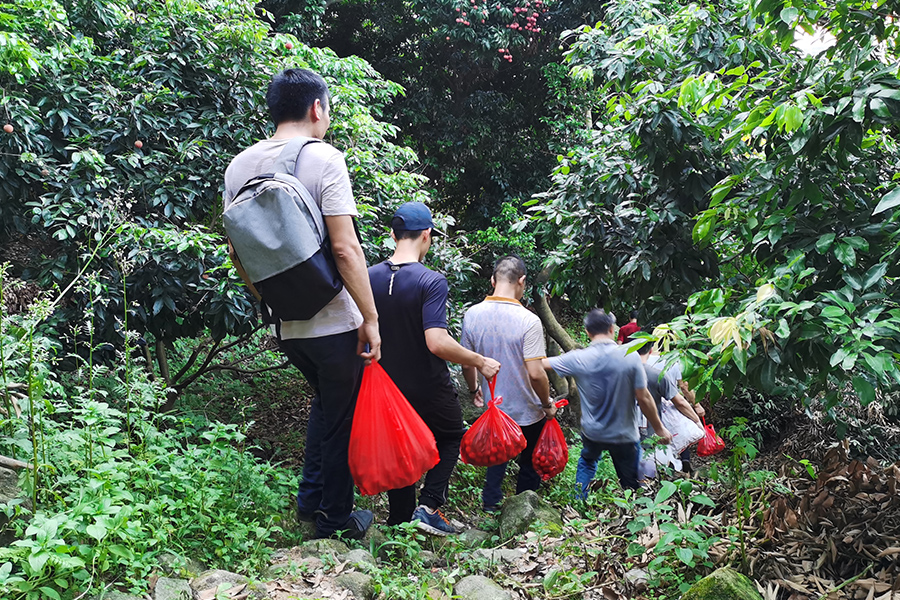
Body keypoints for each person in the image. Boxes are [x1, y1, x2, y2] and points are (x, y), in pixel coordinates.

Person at [224, 68, 380, 540]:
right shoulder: (323, 158)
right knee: (340, 421)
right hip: (335, 324)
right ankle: (335, 520)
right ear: (318, 108)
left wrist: (274, 302)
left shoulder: (238, 167)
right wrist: (370, 319)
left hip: (289, 327)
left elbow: (239, 256)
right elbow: (346, 249)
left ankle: (310, 501)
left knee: (325, 408)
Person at [368, 202, 501, 535]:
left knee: (401, 446)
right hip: (428, 383)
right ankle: (427, 507)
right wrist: (479, 361)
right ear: (427, 235)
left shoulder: (368, 276)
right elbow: (437, 342)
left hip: (386, 385)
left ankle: (400, 520)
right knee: (451, 437)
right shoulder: (431, 281)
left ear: (392, 235)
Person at [461, 256, 557, 512]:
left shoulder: (472, 315)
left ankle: (490, 506)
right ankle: (524, 509)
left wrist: (474, 390)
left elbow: (467, 363)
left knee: (497, 458)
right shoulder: (529, 321)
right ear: (522, 281)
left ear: (493, 280)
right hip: (529, 409)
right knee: (529, 464)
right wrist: (547, 403)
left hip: (496, 406)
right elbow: (536, 374)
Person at [541, 310, 672, 494]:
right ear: (612, 329)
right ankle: (633, 508)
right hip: (625, 434)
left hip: (593, 432)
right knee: (631, 482)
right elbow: (643, 397)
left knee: (587, 462)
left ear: (587, 331)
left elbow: (538, 366)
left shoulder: (578, 358)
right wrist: (659, 428)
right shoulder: (630, 356)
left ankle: (580, 500)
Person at [646, 344, 705, 471]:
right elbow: (684, 387)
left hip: (649, 405)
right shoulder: (674, 361)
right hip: (672, 402)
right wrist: (697, 406)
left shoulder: (643, 360)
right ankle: (685, 461)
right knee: (680, 430)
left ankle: (660, 466)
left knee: (656, 437)